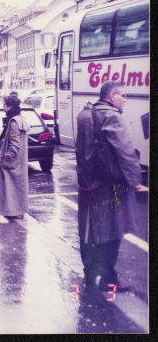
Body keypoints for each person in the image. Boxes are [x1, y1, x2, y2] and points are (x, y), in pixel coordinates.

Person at [75, 81, 141, 292]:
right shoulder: (112, 116)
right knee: (113, 229)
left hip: (88, 183)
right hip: (110, 184)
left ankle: (90, 274)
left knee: (89, 230)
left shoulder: (84, 115)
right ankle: (109, 279)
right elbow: (125, 151)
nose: (125, 100)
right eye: (123, 96)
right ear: (112, 96)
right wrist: (134, 179)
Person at [0, 95, 30, 220]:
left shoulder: (13, 121)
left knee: (11, 188)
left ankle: (14, 211)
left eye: (4, 104)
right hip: (20, 161)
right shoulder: (20, 118)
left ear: (10, 106)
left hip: (13, 161)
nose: (3, 106)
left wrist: (8, 159)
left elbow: (14, 143)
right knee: (17, 187)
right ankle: (16, 211)